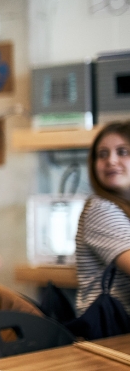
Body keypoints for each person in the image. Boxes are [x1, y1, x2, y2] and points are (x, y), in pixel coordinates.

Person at [75, 122, 130, 314]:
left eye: (122, 151)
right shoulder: (101, 209)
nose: (111, 161)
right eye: (102, 154)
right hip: (109, 336)